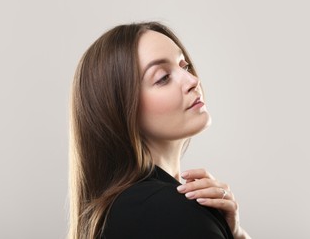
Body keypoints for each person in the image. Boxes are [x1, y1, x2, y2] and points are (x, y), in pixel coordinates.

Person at [69, 22, 251, 239]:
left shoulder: (136, 207)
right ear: (120, 109)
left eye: (184, 66)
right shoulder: (162, 210)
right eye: (163, 77)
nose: (193, 80)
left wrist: (234, 233)